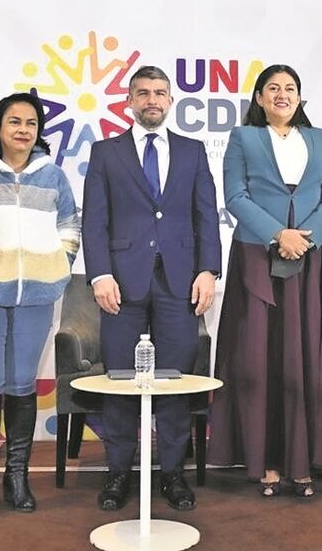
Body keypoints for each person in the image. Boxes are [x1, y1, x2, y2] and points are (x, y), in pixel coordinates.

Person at [81, 65, 222, 512]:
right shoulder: (106, 153)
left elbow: (206, 215)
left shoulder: (192, 151)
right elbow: (94, 220)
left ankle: (173, 474)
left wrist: (209, 270)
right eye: (142, 93)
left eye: (160, 93)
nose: (152, 100)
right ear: (129, 101)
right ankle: (119, 473)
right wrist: (99, 274)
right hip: (121, 284)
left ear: (170, 101)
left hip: (180, 282)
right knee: (121, 380)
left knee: (175, 383)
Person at [209, 64, 322, 498]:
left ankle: (303, 461)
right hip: (257, 254)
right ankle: (266, 461)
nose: (282, 94)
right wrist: (278, 234)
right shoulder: (243, 137)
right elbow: (235, 196)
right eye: (273, 88)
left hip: (308, 257)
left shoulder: (321, 139)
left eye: (290, 88)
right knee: (260, 358)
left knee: (305, 356)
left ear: (300, 97)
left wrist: (305, 238)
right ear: (259, 97)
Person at [0, 92, 79, 515]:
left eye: (31, 123)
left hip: (37, 295)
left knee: (22, 384)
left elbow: (69, 225)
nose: (23, 130)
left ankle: (17, 476)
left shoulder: (53, 176)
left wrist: (59, 265)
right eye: (14, 121)